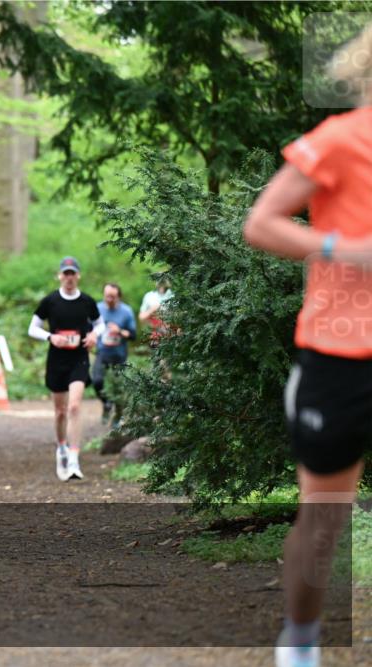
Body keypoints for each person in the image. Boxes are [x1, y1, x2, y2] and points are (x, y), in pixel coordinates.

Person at [243, 24, 372, 667]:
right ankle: (300, 637)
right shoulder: (341, 141)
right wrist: (342, 248)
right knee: (324, 520)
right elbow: (261, 222)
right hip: (340, 357)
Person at [27, 257, 104, 482]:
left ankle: (73, 458)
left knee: (75, 406)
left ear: (78, 276)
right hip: (57, 360)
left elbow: (100, 324)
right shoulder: (50, 301)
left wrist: (94, 335)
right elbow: (32, 328)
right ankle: (61, 446)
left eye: (72, 273)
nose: (69, 278)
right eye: (65, 273)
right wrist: (50, 337)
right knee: (60, 411)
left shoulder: (87, 301)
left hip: (79, 358)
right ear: (59, 276)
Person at [92, 283, 137, 426]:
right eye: (107, 296)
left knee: (118, 386)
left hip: (119, 355)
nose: (109, 299)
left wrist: (119, 331)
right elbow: (89, 329)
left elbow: (133, 335)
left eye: (112, 297)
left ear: (119, 297)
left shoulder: (126, 311)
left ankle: (118, 417)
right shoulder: (97, 309)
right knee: (97, 381)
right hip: (102, 352)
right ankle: (106, 404)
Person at [138, 278, 173, 348]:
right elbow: (141, 317)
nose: (162, 284)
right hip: (154, 332)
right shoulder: (149, 296)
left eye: (163, 282)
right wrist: (152, 309)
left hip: (170, 333)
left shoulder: (173, 295)